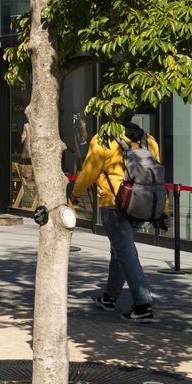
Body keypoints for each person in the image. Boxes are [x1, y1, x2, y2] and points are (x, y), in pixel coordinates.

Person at [72, 121, 169, 321]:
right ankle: (110, 297)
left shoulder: (103, 140)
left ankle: (143, 305)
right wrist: (164, 210)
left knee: (126, 252)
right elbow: (156, 179)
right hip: (142, 204)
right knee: (120, 250)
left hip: (114, 204)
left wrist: (75, 194)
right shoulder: (149, 140)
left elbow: (89, 172)